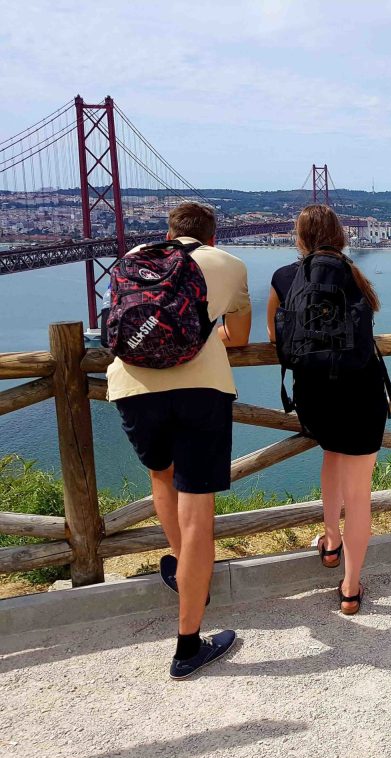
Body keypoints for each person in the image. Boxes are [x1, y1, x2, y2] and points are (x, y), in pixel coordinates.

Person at [106, 201, 251, 679]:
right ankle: (188, 646)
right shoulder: (228, 264)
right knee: (198, 510)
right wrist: (203, 331)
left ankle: (184, 570)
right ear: (212, 235)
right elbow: (241, 336)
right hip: (201, 391)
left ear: (169, 231)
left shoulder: (134, 258)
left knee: (160, 476)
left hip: (132, 387)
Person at [268, 204, 390, 615]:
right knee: (359, 496)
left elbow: (277, 338)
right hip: (362, 395)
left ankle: (330, 543)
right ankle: (351, 589)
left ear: (299, 237)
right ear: (340, 235)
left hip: (314, 398)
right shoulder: (356, 275)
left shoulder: (284, 278)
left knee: (330, 456)